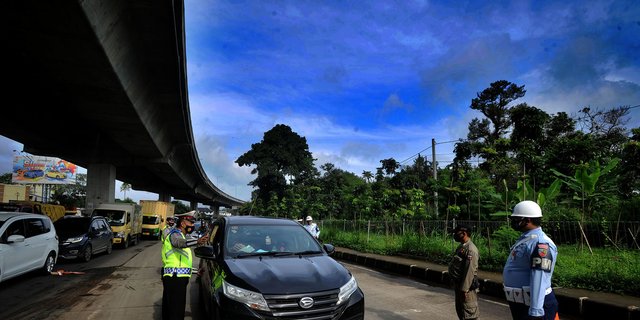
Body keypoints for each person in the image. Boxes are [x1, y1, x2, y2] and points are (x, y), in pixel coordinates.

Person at [503, 201, 559, 320]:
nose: (513, 222)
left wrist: (536, 311)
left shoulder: (541, 243)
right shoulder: (527, 239)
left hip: (535, 305)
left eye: (516, 219)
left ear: (527, 220)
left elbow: (539, 277)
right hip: (521, 303)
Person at [161, 211, 209, 320]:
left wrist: (196, 271)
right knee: (175, 312)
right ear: (183, 223)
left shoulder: (182, 235)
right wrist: (197, 241)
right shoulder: (174, 234)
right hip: (174, 278)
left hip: (176, 277)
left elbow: (181, 264)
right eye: (191, 223)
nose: (192, 226)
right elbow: (178, 243)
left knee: (172, 310)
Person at [448, 224, 480, 320]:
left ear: (464, 233)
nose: (455, 235)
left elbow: (470, 271)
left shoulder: (470, 250)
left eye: (457, 233)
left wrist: (464, 289)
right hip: (460, 285)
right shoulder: (462, 247)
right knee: (462, 312)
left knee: (469, 314)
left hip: (467, 289)